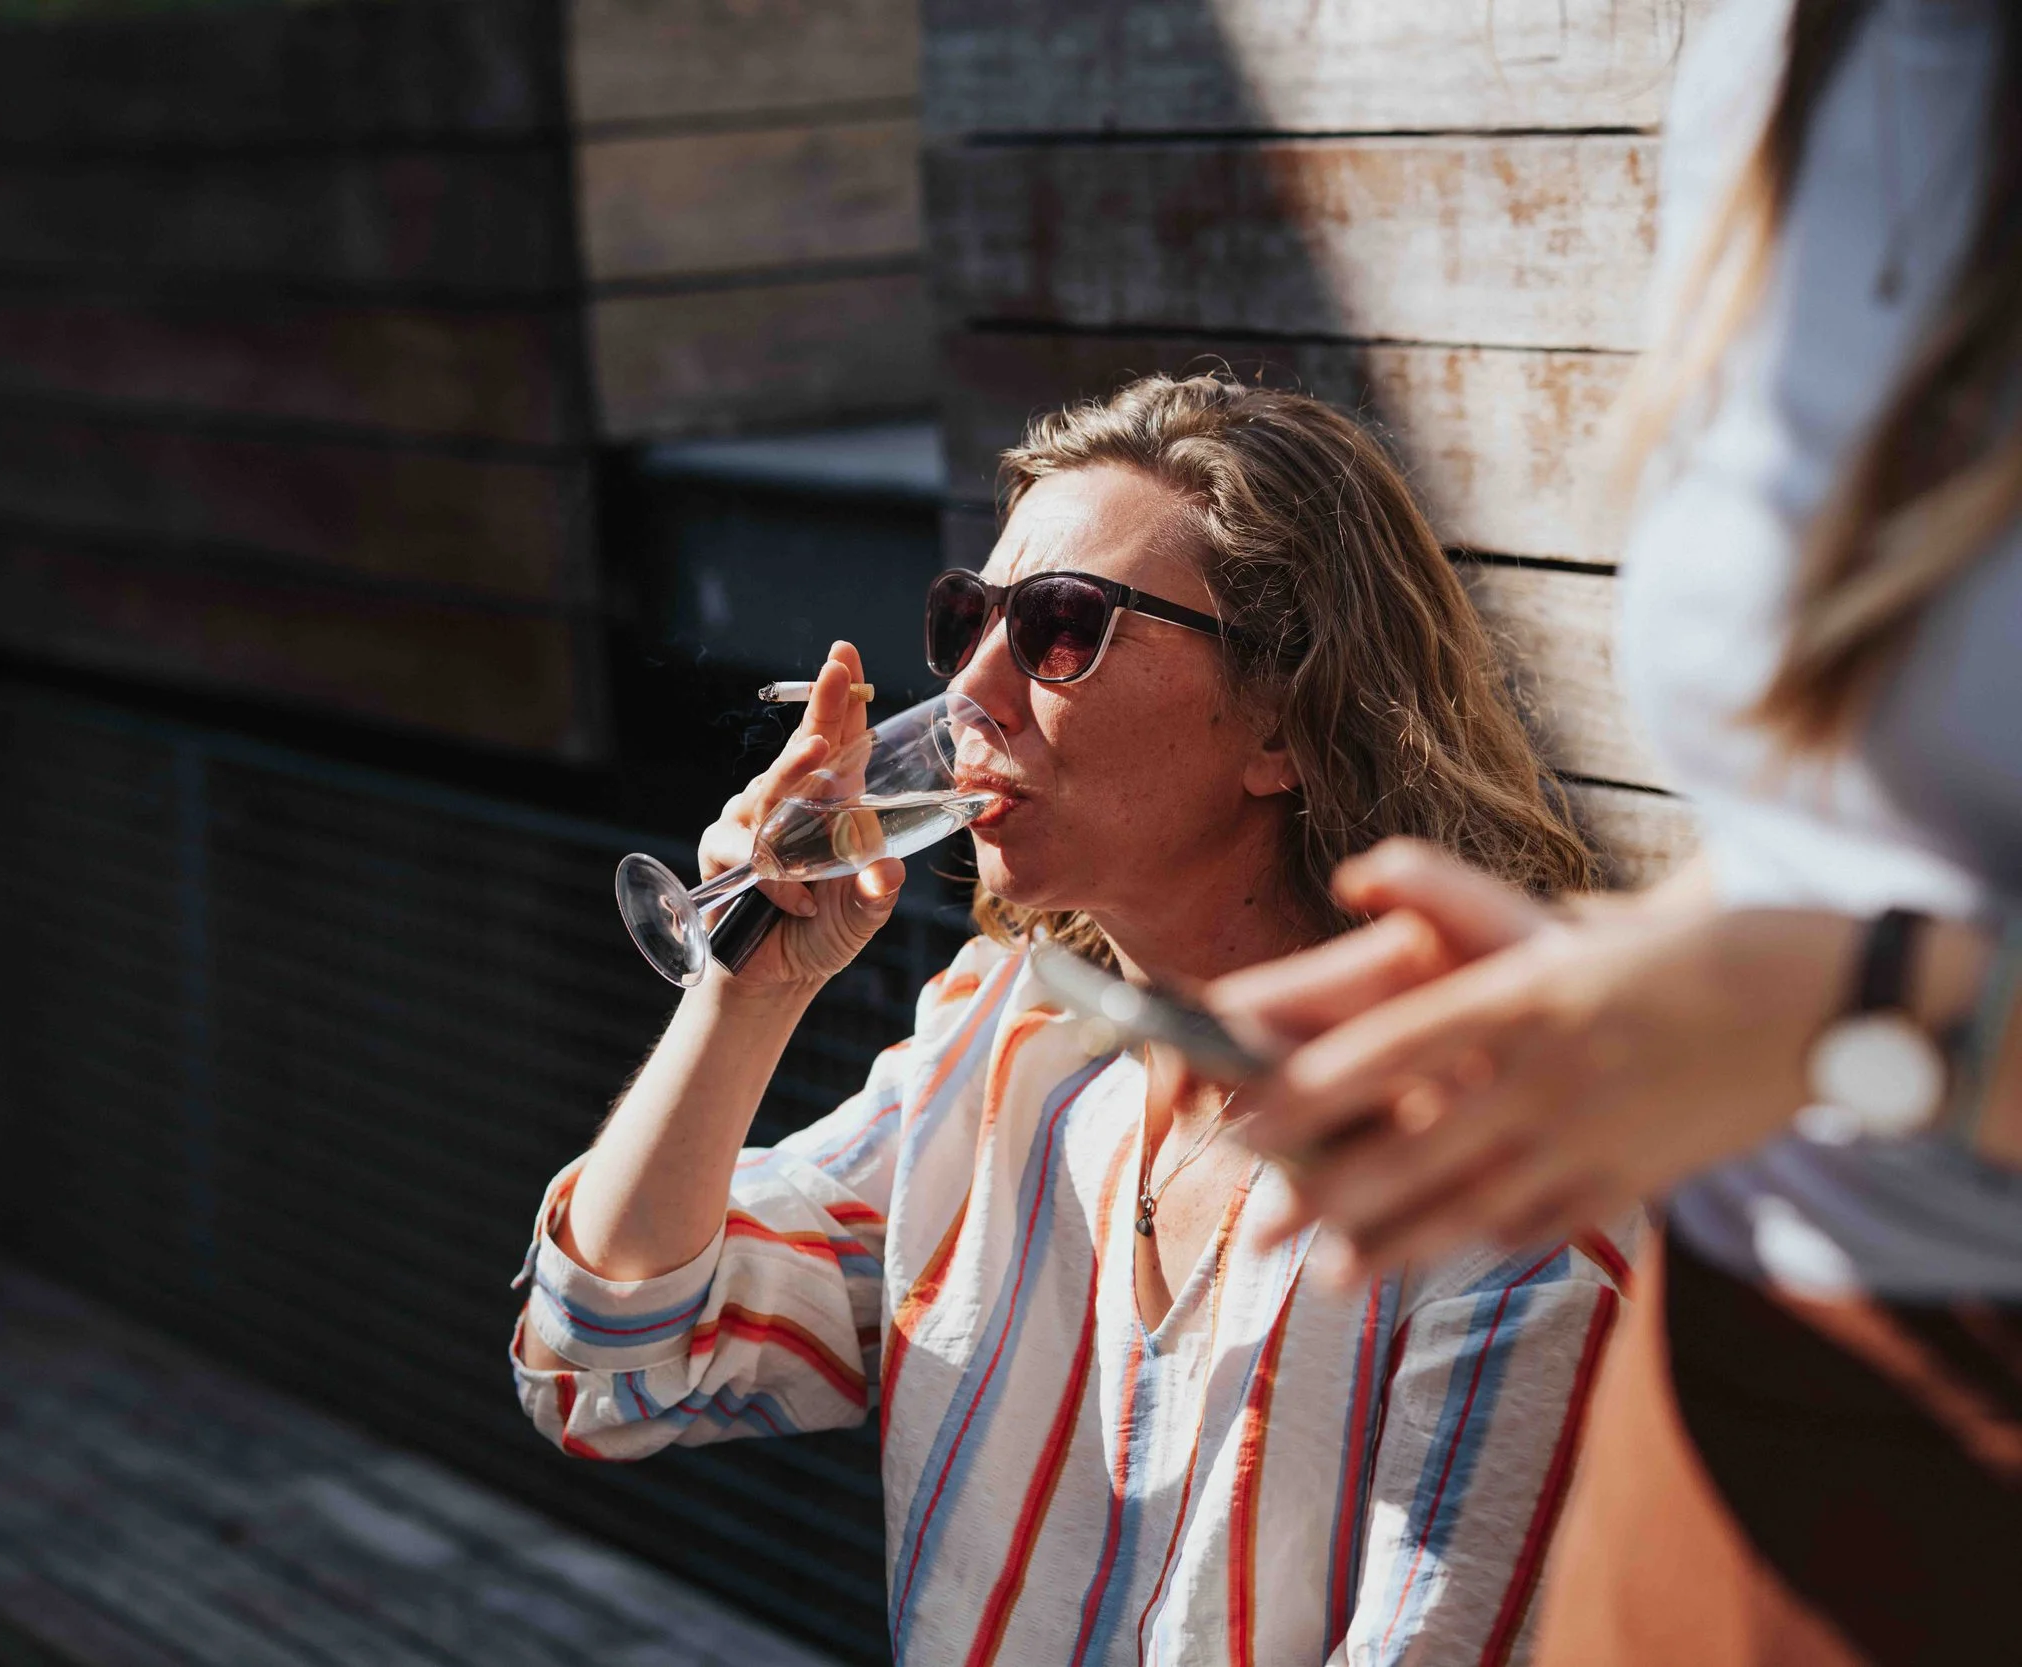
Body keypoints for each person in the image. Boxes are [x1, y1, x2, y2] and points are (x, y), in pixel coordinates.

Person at [511, 374, 1638, 1664]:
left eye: (1058, 627)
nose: (973, 686)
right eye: (966, 617)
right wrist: (745, 989)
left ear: (1285, 721)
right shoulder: (1012, 1040)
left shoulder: (1505, 1198)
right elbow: (611, 1362)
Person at [1202, 2, 2022, 1662]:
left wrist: (1849, 1017)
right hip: (1740, 1405)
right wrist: (1605, 978)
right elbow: (1853, 802)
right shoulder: (1785, 55)